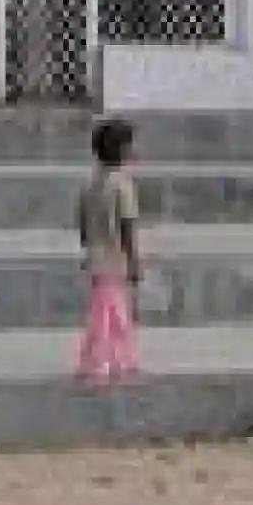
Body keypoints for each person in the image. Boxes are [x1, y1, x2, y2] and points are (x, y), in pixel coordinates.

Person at [76, 117, 142, 385]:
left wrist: (89, 246)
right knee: (114, 312)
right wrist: (134, 260)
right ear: (121, 149)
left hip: (95, 256)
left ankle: (103, 357)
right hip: (115, 258)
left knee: (102, 310)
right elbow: (128, 226)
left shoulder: (90, 183)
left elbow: (82, 223)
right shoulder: (123, 184)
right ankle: (109, 359)